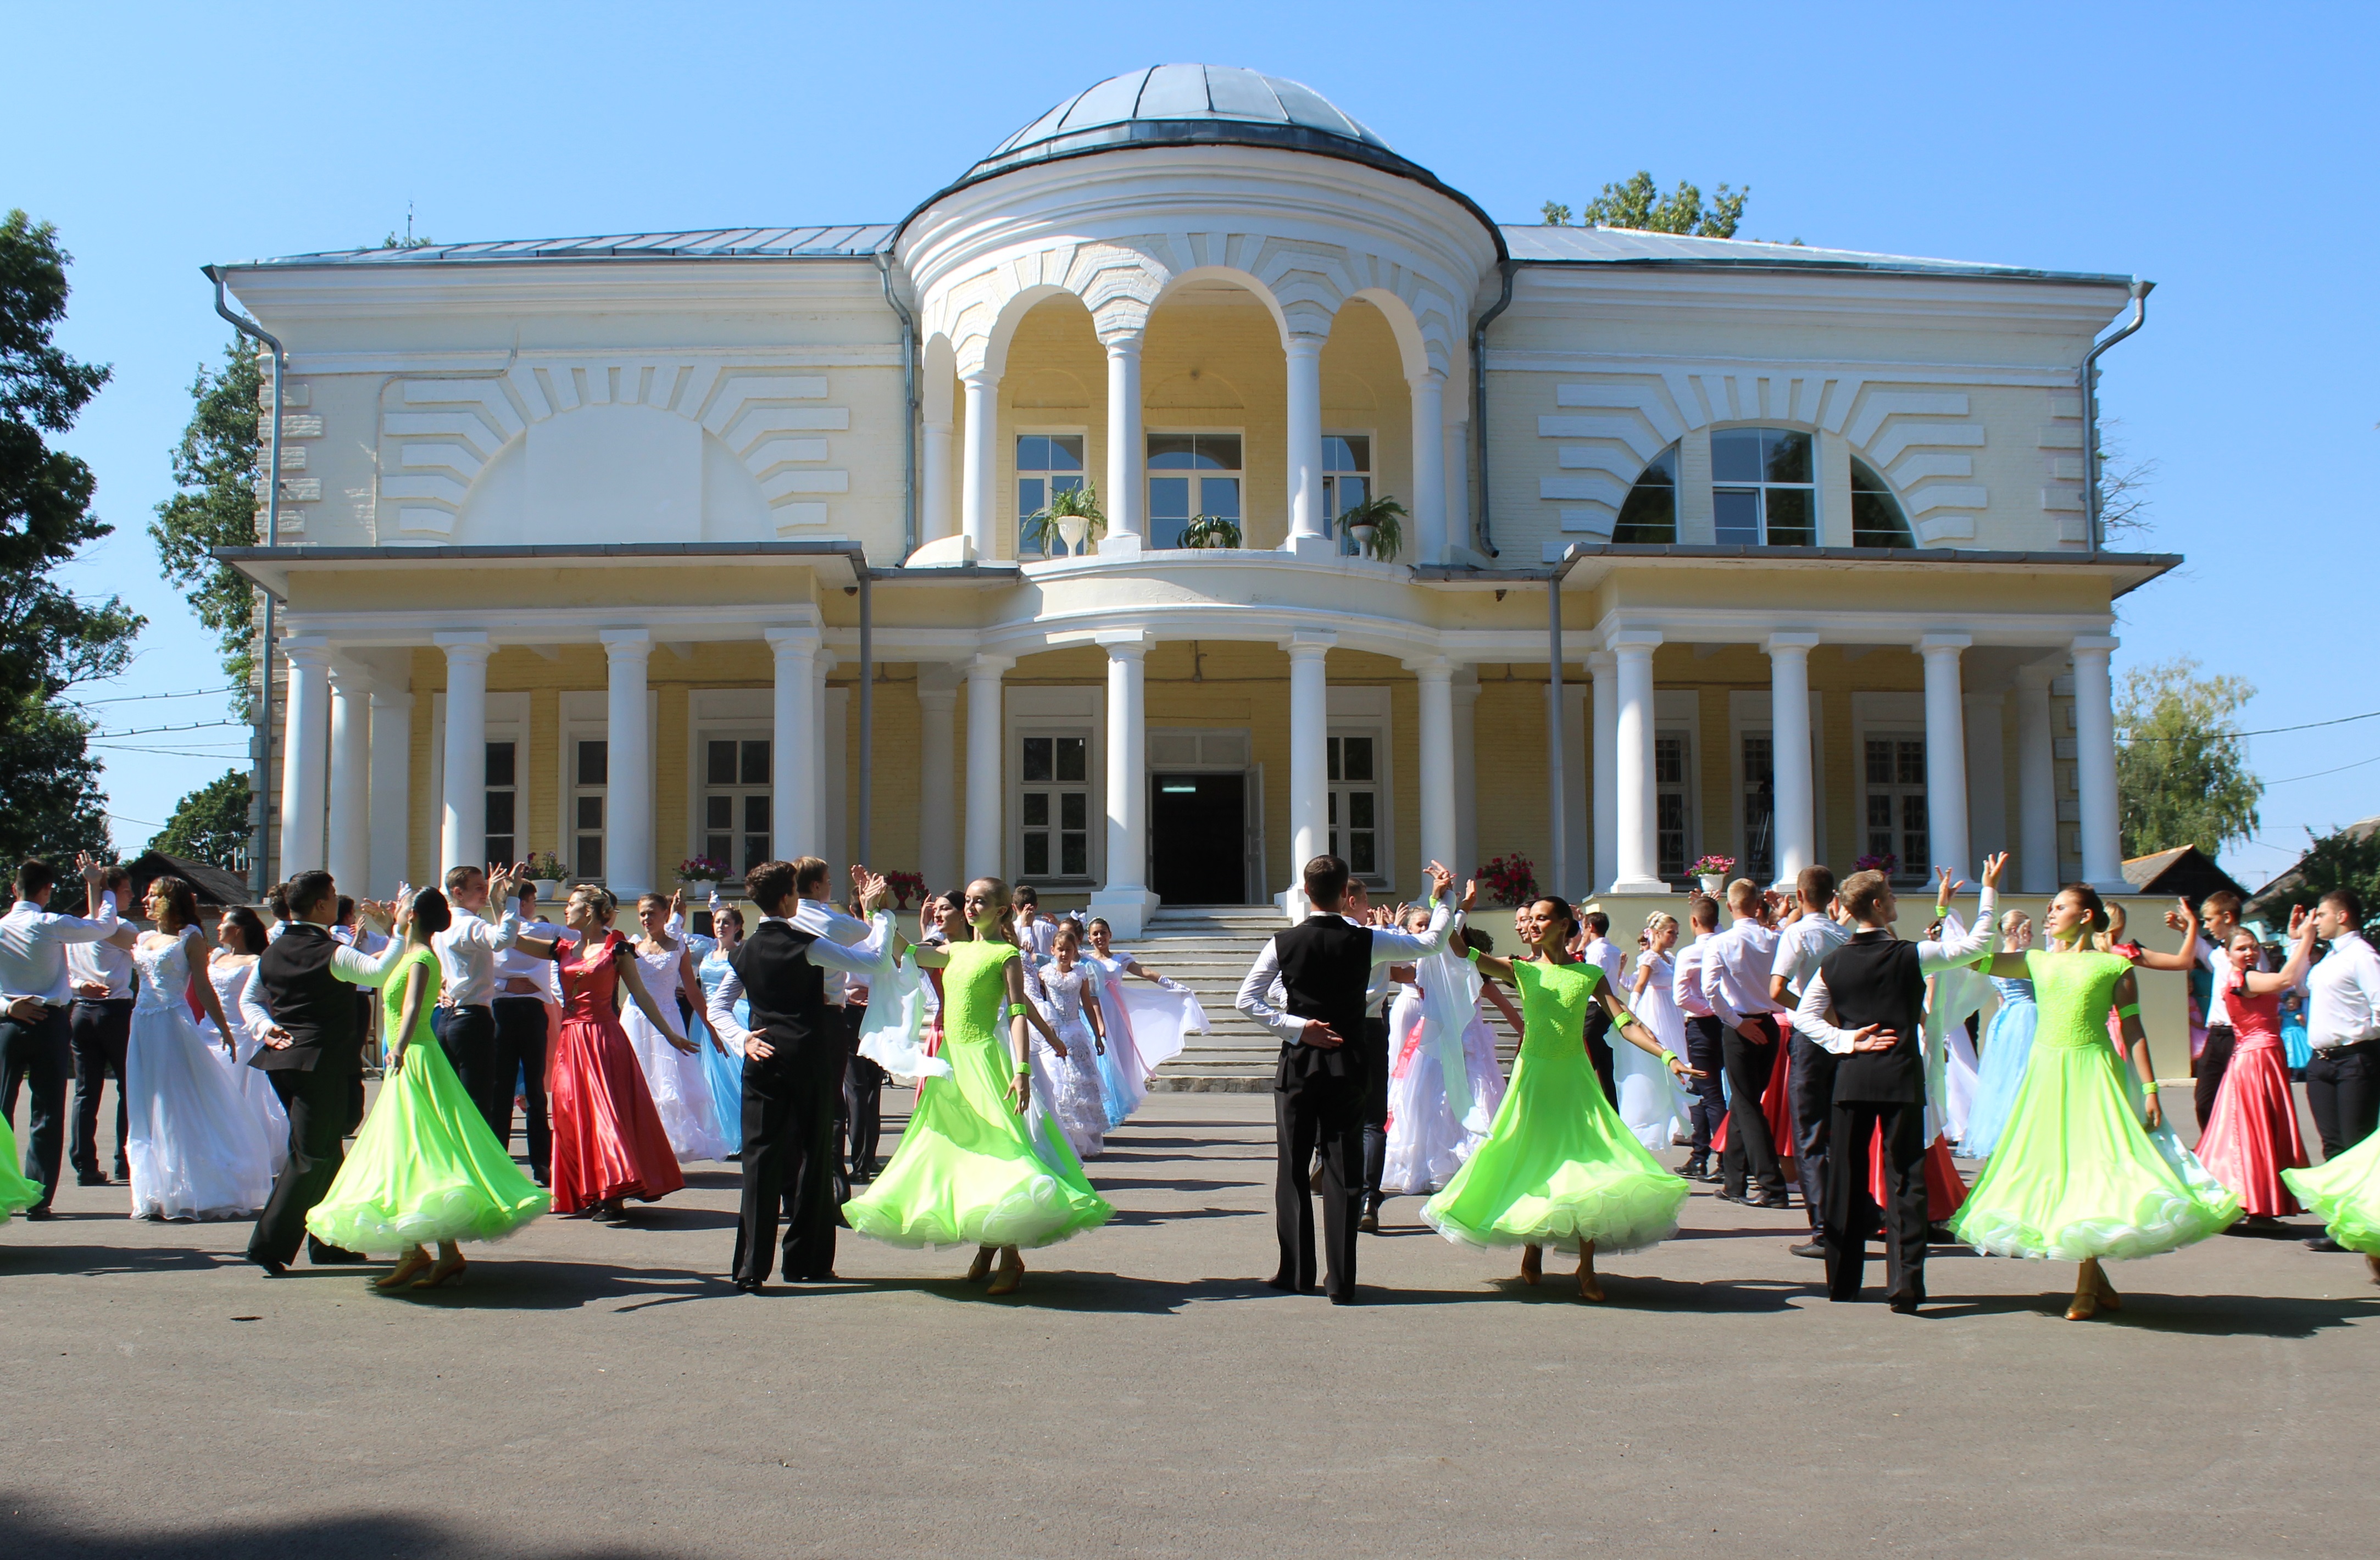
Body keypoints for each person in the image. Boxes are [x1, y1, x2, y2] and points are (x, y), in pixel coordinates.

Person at [1948, 883, 2240, 1319]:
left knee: (2095, 1170)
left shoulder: (2113, 966)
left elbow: (2134, 1028)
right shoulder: (2037, 961)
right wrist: (1982, 895)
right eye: (2049, 907)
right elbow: (1974, 957)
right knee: (2055, 1172)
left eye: (2060, 907)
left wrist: (2151, 1088)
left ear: (2085, 916)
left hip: (2096, 1074)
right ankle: (2096, 1277)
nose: (2049, 914)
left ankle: (2086, 1285)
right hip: (2046, 1078)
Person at [1422, 890, 1699, 1300]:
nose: (1532, 924)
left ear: (1565, 926)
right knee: (1534, 1161)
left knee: (1587, 1166)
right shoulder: (1520, 970)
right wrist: (1444, 904)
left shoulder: (1588, 974)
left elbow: (1624, 1021)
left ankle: (1586, 1268)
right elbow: (1460, 950)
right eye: (1530, 918)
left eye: (1542, 918)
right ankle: (1533, 1245)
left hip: (1574, 1081)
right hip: (1532, 1080)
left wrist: (1667, 1056)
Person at [841, 875, 1109, 1297]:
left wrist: (1021, 1069)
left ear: (1001, 910)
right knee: (960, 1153)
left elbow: (1018, 1011)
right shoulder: (954, 951)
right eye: (967, 900)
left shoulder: (1006, 954)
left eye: (980, 901)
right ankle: (988, 1246)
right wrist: (877, 912)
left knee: (1000, 1151)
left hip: (986, 1061)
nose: (970, 907)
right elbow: (906, 954)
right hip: (951, 1064)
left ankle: (1009, 1257)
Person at [1236, 855, 1458, 1305]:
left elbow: (1247, 1000)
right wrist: (1443, 898)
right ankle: (1341, 1281)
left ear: (1305, 890)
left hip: (1299, 1062)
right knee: (1342, 1167)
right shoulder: (1368, 940)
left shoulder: (1282, 942)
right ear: (1344, 895)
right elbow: (1432, 943)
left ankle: (1296, 1272)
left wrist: (1299, 1028)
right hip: (1349, 1061)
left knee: (1294, 1168)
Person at [307, 885, 550, 1291]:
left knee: (421, 1147)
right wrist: (391, 927)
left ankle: (428, 1253)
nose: (394, 908)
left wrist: (399, 1046)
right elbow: (392, 964)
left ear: (415, 915)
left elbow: (414, 1006)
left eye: (402, 907)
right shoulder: (410, 949)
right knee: (407, 1151)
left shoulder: (421, 956)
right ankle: (428, 1252)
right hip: (409, 1057)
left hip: (416, 1056)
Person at [1793, 855, 2002, 1313]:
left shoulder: (1834, 963)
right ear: (1876, 904)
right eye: (1890, 897)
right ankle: (1905, 1285)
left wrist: (1845, 1041)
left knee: (1846, 1178)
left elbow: (1805, 1017)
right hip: (1900, 1079)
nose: (1895, 902)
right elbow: (1978, 944)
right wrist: (1988, 890)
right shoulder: (1911, 954)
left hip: (1851, 1079)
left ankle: (1842, 1282)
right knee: (1905, 1178)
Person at [703, 863, 900, 1290]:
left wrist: (743, 1040)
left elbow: (717, 1008)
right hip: (809, 1056)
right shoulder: (807, 945)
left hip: (764, 1062)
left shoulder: (744, 950)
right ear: (789, 899)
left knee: (760, 1162)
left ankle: (750, 1267)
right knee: (816, 1154)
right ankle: (805, 1261)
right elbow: (876, 960)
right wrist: (879, 914)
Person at [122, 876, 279, 1221]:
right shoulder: (143, 936)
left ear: (168, 900)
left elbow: (204, 988)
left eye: (152, 896)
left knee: (177, 1100)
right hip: (143, 1021)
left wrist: (223, 1026)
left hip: (171, 1022)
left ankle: (190, 1186)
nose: (145, 900)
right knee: (145, 1099)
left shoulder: (190, 939)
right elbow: (101, 928)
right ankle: (154, 1190)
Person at [546, 884, 693, 1224]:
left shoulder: (618, 948)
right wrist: (502, 904)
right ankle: (584, 1189)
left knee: (604, 1116)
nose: (565, 911)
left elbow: (640, 994)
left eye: (570, 905)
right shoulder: (564, 947)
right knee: (570, 1113)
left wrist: (671, 1033)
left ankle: (614, 1194)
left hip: (603, 1038)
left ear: (588, 912)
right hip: (571, 1041)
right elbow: (507, 940)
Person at [2178, 902, 2314, 1222]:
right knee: (2252, 1132)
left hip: (2268, 1058)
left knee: (2262, 1130)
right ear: (2228, 955)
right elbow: (2285, 981)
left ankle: (2259, 1205)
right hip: (2254, 1061)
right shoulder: (2242, 981)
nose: (2249, 952)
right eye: (2241, 948)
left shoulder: (2255, 976)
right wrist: (2306, 938)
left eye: (2253, 947)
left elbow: (2293, 981)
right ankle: (2247, 1201)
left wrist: (2296, 940)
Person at [1, 854, 119, 1218]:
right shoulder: (49, 923)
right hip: (50, 1022)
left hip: (7, 1023)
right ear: (48, 891)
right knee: (47, 1113)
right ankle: (38, 1198)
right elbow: (104, 926)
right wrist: (99, 886)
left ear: (13, 888)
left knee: (1, 1112)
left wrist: (7, 1008)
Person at [2281, 888, 2380, 1258]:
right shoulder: (2329, 960)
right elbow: (2300, 983)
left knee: (2357, 1146)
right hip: (2321, 1062)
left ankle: (2366, 1227)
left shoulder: (2363, 956)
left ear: (2342, 917)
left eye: (2320, 915)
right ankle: (2344, 1226)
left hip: (2355, 1058)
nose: (2315, 920)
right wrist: (2300, 941)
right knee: (2335, 1148)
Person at [1770, 865, 1851, 1255]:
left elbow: (1777, 989)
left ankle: (1823, 1227)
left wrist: (1810, 1013)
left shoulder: (1798, 932)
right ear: (1832, 897)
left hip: (1812, 1037)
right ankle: (1851, 1216)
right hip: (1844, 1035)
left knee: (1811, 1132)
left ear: (1801, 897)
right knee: (1838, 1130)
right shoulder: (1845, 934)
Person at [621, 892, 736, 1164]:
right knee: (638, 1081)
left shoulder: (678, 946)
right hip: (635, 1020)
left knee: (668, 1084)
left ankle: (664, 1148)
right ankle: (636, 1146)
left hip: (669, 1017)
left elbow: (693, 990)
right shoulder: (632, 946)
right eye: (642, 914)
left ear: (664, 914)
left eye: (652, 913)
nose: (647, 919)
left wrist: (711, 1027)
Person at [429, 864, 540, 1138]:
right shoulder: (468, 924)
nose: (485, 891)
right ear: (458, 892)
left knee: (455, 1099)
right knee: (478, 1102)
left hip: (448, 1017)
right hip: (471, 1019)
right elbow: (504, 939)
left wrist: (442, 986)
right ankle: (477, 1166)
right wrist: (512, 896)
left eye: (485, 886)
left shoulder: (444, 927)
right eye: (478, 888)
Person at [1703, 878, 1791, 1210]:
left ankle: (1771, 1185)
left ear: (1730, 906)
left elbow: (1710, 990)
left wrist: (1737, 1023)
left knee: (1747, 1104)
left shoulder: (1722, 942)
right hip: (1767, 1022)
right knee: (1745, 1102)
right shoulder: (1774, 938)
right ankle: (1734, 1179)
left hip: (1740, 1022)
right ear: (1757, 906)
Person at [66, 863, 137, 1188]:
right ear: (111, 893)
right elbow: (148, 953)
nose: (132, 896)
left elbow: (64, 973)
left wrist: (80, 986)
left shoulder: (76, 929)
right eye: (126, 890)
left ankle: (84, 1163)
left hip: (82, 1011)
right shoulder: (119, 927)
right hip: (115, 1011)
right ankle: (125, 1159)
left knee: (86, 1091)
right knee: (128, 1086)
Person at [491, 881, 565, 1185]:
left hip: (532, 1011)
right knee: (503, 1089)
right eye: (526, 902)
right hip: (504, 1010)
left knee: (533, 1090)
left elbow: (571, 938)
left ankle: (542, 1164)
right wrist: (506, 985)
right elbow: (476, 969)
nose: (529, 907)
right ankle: (496, 1160)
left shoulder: (539, 931)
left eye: (530, 901)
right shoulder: (494, 932)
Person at [206, 906, 289, 1166]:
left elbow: (267, 1000)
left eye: (224, 923)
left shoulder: (257, 962)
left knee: (244, 1096)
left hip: (244, 1034)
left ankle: (247, 1152)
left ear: (238, 930)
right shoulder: (216, 957)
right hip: (209, 1032)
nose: (219, 928)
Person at [2166, 890, 2254, 1132]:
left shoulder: (2250, 952)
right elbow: (2204, 950)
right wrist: (2187, 929)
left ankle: (2238, 1148)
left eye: (2209, 920)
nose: (2207, 926)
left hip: (2240, 1034)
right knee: (2205, 1099)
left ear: (2227, 917)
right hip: (2217, 1036)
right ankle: (2214, 1146)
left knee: (2241, 1099)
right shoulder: (2220, 954)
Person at [1957, 910, 2038, 1160]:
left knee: (2004, 1075)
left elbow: (2002, 997)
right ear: (2016, 930)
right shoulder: (2023, 959)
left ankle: (2002, 1131)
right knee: (2024, 1073)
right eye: (2029, 930)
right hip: (2028, 1015)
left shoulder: (1997, 961)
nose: (2032, 936)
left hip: (2005, 1017)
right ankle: (2021, 1129)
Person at [1030, 919, 1110, 1160]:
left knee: (1081, 1083)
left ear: (1075, 952)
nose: (1064, 954)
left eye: (1069, 950)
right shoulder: (1044, 974)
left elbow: (1087, 1003)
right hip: (1054, 1032)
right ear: (1052, 951)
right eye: (1060, 949)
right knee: (1060, 1082)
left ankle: (1085, 1139)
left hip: (1076, 1031)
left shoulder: (1081, 975)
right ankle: (1065, 1137)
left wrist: (1097, 1034)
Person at [1619, 915, 1692, 1154]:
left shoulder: (1669, 958)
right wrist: (1634, 1014)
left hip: (1670, 1011)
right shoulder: (1650, 958)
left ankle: (1678, 1120)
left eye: (1677, 933)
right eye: (1671, 932)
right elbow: (1638, 985)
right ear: (1657, 933)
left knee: (1678, 1055)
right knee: (1661, 1060)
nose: (1675, 938)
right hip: (1654, 1010)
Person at [1671, 895, 1728, 1182]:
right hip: (1727, 1022)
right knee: (1701, 1091)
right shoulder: (1727, 945)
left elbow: (1681, 996)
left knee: (1710, 1093)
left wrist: (1709, 1009)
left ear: (1694, 922)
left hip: (1703, 1025)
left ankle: (1724, 1157)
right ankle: (1700, 1154)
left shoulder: (1690, 953)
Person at [692, 901, 749, 1160]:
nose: (721, 926)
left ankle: (742, 1135)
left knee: (734, 1077)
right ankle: (719, 1137)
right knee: (709, 1078)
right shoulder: (706, 952)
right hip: (704, 1019)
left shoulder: (741, 953)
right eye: (717, 922)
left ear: (737, 927)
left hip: (732, 1015)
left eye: (727, 922)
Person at [1576, 910, 1626, 1104]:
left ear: (1592, 927)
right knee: (1605, 1066)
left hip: (1595, 1008)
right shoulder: (1613, 950)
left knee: (1588, 1060)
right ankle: (1610, 1106)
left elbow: (1591, 980)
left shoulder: (1596, 951)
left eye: (1585, 927)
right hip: (1608, 1008)